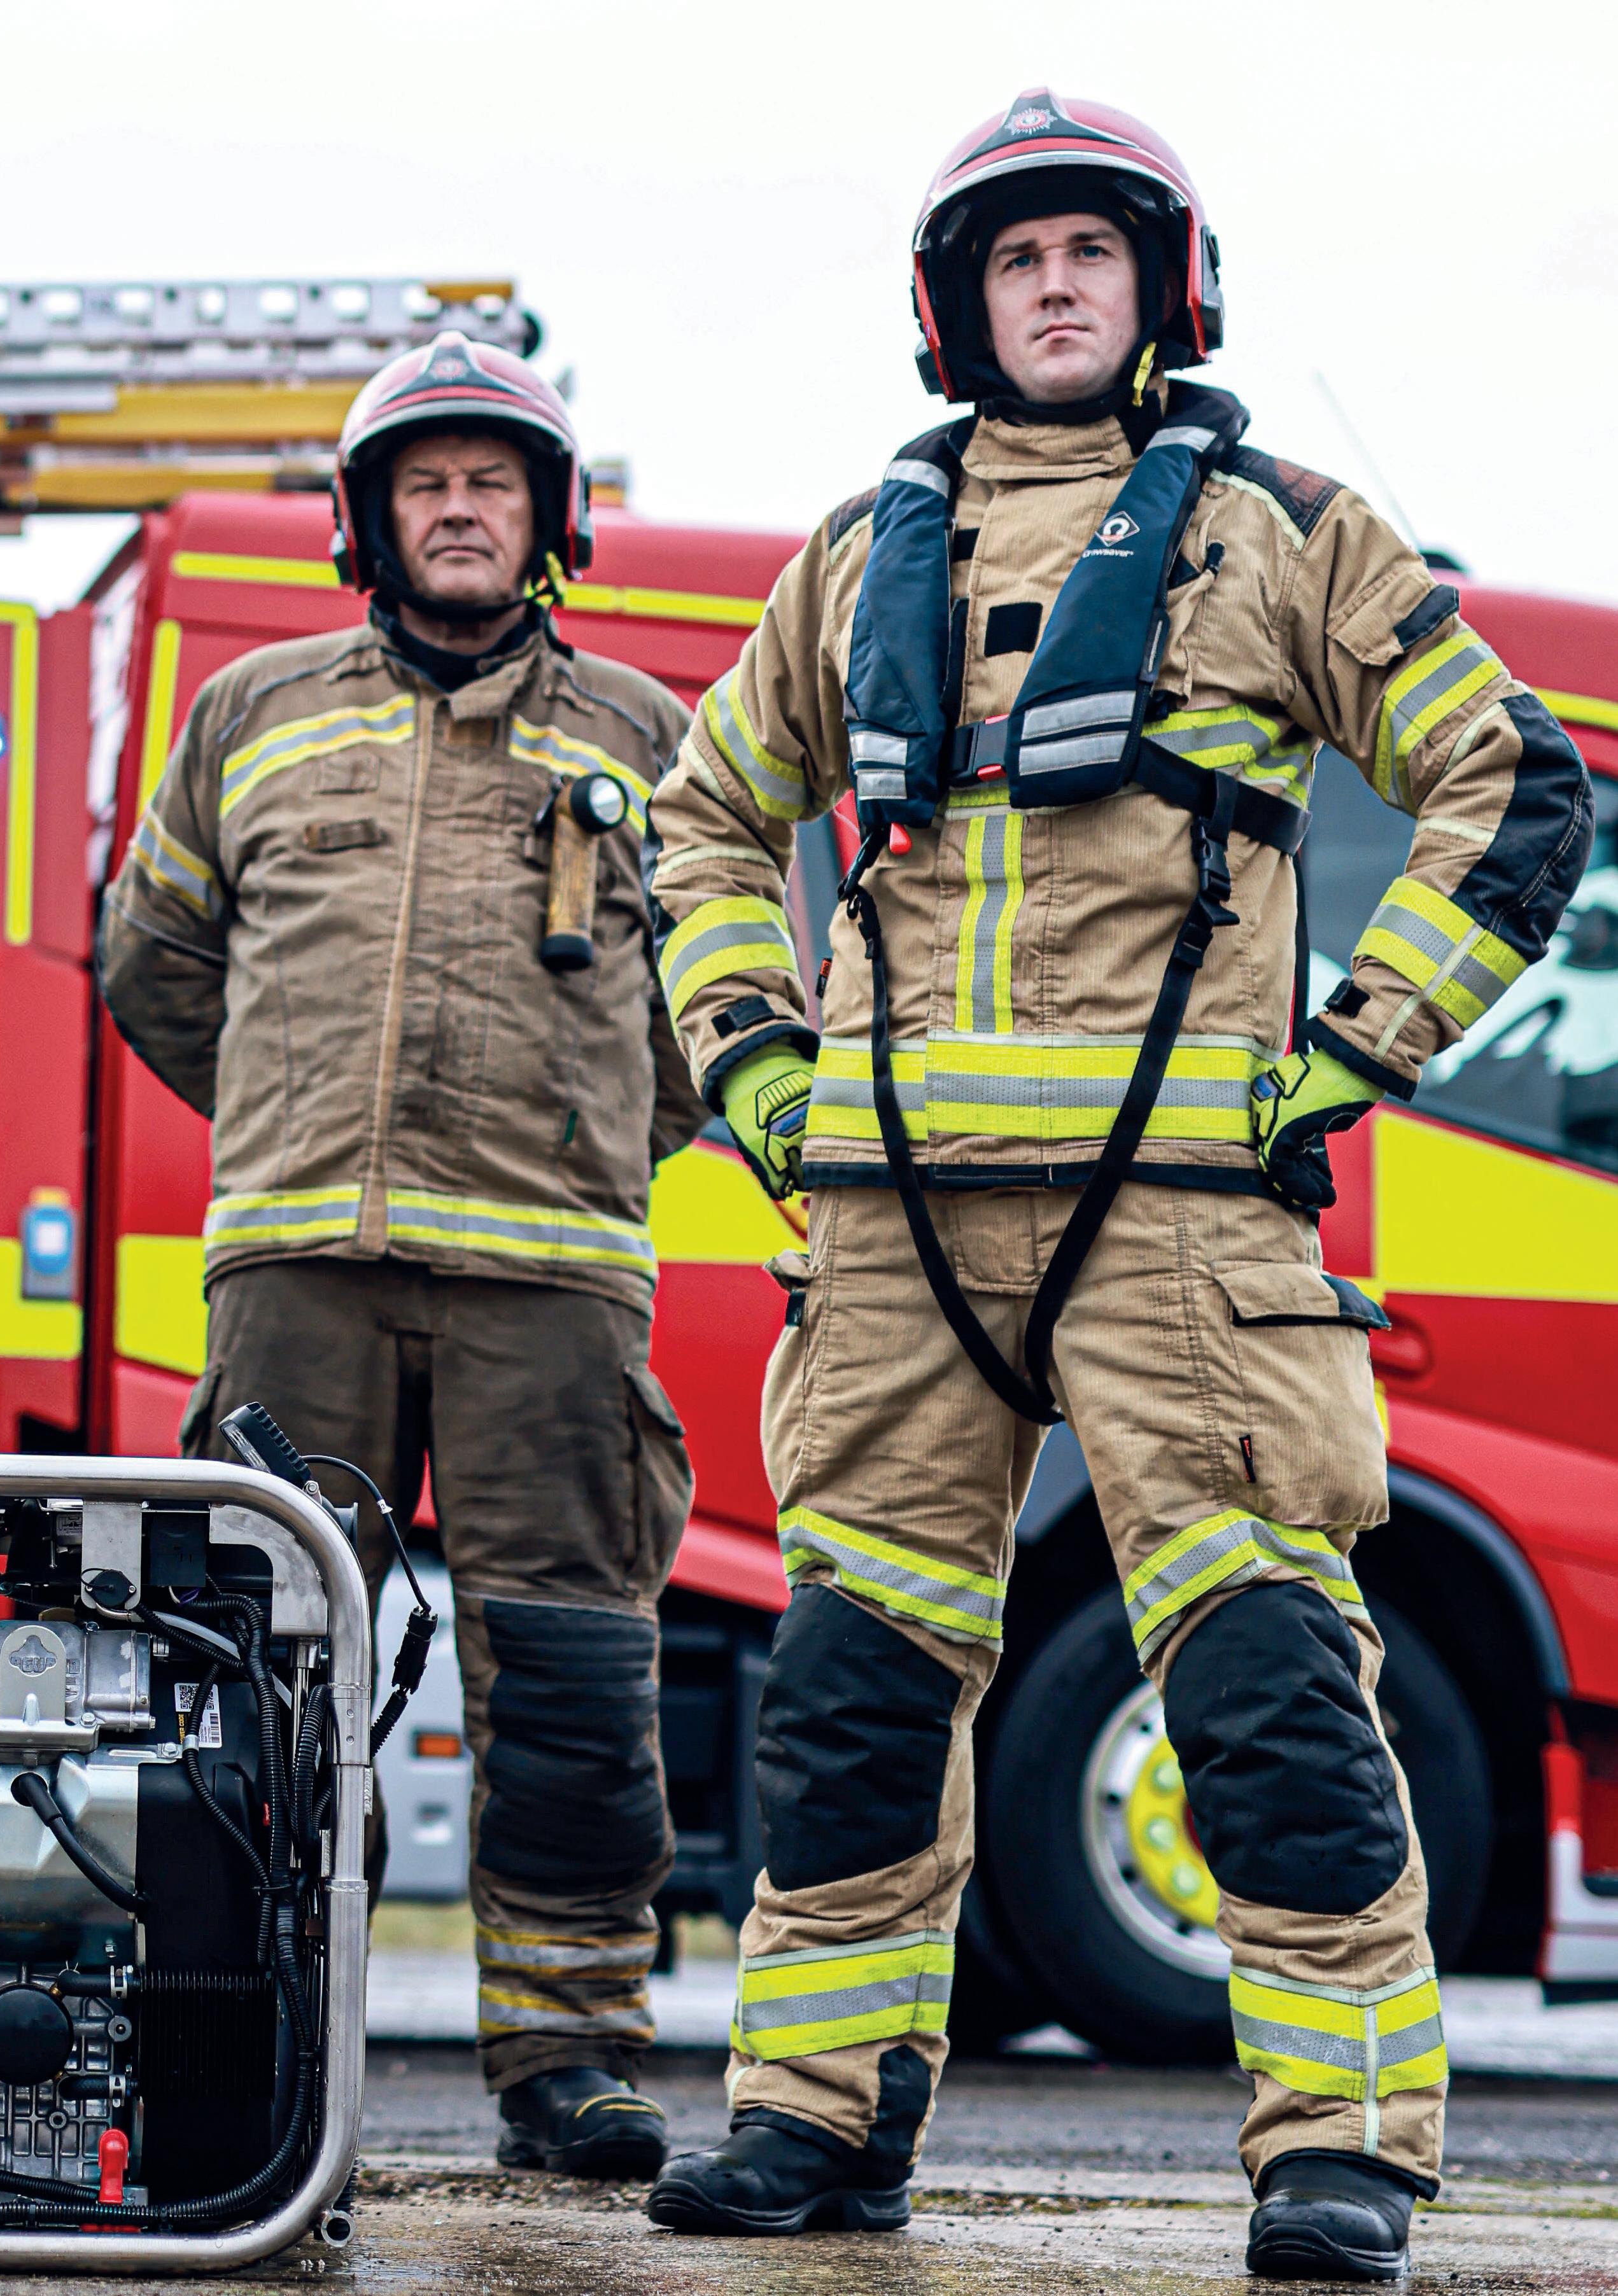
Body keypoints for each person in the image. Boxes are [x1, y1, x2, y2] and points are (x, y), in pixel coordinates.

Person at [641, 92, 1593, 2281]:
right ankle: (813, 2119)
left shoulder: (1287, 539)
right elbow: (702, 819)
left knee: (1265, 1691)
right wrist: (758, 1068)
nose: (1055, 285)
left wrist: (1356, 1051)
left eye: (1091, 252)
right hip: (891, 1229)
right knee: (856, 1704)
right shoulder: (855, 559)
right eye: (1017, 257)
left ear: (1166, 288)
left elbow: (1511, 782)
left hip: (1181, 1226)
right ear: (955, 307)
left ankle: (1341, 2153)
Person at [101, 331, 707, 2180]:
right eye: (426, 483)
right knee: (251, 1667)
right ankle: (246, 2052)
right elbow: (154, 963)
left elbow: (723, 1005)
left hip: (554, 1282)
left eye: (491, 483)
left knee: (574, 1678)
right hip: (300, 1269)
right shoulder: (251, 711)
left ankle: (571, 2055)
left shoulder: (651, 740)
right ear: (369, 521)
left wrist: (593, 1145)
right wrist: (287, 1115)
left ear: (551, 520)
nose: (459, 509)